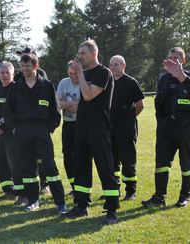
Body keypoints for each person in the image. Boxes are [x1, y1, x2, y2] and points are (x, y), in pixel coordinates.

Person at [64, 39, 119, 224]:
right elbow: (83, 100)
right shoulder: (85, 73)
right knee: (80, 167)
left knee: (105, 167)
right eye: (79, 53)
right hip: (82, 127)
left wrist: (79, 73)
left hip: (99, 128)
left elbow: (88, 95)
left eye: (83, 54)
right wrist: (80, 73)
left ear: (93, 54)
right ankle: (81, 205)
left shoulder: (103, 73)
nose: (79, 57)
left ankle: (111, 209)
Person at [7, 53, 67, 214]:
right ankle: (33, 200)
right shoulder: (16, 86)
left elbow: (55, 111)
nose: (25, 69)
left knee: (49, 167)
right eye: (23, 65)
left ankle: (60, 202)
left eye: (28, 65)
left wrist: (49, 128)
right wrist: (15, 128)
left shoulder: (46, 85)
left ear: (36, 66)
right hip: (22, 132)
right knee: (28, 169)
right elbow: (9, 111)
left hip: (41, 131)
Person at [142, 47, 190, 208]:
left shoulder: (188, 78)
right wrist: (162, 123)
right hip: (165, 129)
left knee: (187, 165)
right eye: (170, 57)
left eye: (176, 58)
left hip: (186, 130)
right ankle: (159, 197)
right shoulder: (164, 79)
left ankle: (185, 196)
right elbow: (158, 103)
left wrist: (182, 77)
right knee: (161, 163)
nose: (172, 60)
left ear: (183, 60)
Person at [15, 46, 50, 195]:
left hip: (40, 126)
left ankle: (44, 184)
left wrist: (48, 126)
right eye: (21, 58)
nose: (24, 64)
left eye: (26, 57)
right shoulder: (18, 78)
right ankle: (28, 189)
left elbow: (47, 100)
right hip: (23, 127)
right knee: (26, 158)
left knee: (42, 157)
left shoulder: (41, 75)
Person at [109, 55, 144, 201]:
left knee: (128, 160)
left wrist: (129, 117)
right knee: (112, 161)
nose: (113, 67)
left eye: (116, 64)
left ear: (124, 66)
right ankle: (114, 188)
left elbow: (140, 104)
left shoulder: (130, 82)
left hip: (126, 128)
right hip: (110, 128)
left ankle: (131, 191)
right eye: (111, 65)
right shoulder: (107, 82)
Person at [0, 61, 18, 200]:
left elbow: (15, 112)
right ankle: (8, 190)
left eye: (8, 73)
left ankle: (20, 191)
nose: (5, 75)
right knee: (0, 161)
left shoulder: (16, 89)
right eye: (2, 73)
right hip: (0, 133)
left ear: (13, 74)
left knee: (13, 162)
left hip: (12, 132)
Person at [56, 61, 80, 195]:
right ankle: (73, 186)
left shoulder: (84, 82)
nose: (73, 77)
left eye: (76, 73)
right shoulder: (63, 83)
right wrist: (74, 103)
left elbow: (83, 107)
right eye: (70, 73)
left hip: (81, 124)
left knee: (80, 156)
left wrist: (67, 104)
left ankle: (80, 186)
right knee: (67, 156)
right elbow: (59, 103)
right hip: (68, 124)